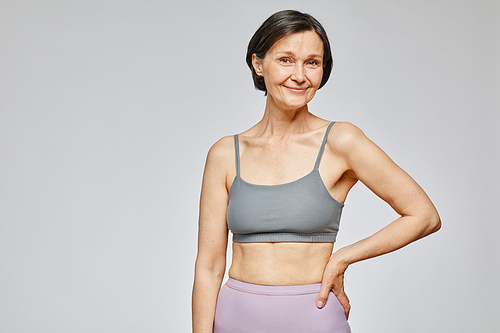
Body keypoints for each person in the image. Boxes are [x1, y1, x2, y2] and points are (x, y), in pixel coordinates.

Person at [192, 9, 441, 333]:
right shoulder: (225, 154)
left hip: (314, 318)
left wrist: (343, 257)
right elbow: (209, 267)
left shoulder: (342, 141)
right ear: (258, 63)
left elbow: (425, 216)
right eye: (285, 59)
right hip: (234, 320)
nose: (299, 75)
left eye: (312, 62)